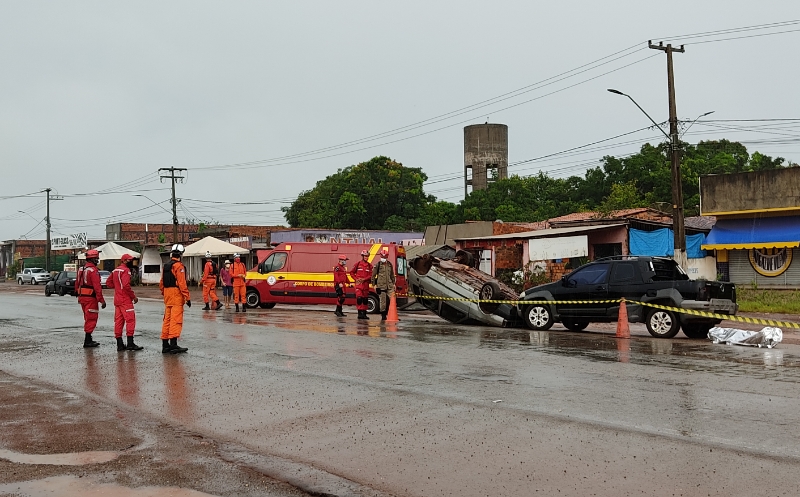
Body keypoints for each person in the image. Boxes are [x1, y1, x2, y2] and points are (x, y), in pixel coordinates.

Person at [106, 253, 142, 351]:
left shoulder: (115, 270)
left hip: (117, 299)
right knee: (130, 320)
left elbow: (108, 283)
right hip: (125, 300)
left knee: (118, 321)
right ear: (124, 261)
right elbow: (126, 285)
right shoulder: (126, 271)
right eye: (129, 260)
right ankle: (130, 343)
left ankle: (120, 344)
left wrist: (118, 288)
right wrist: (133, 297)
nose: (131, 262)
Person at [160, 244, 191, 354]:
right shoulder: (179, 266)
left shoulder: (166, 266)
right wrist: (187, 297)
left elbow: (161, 283)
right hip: (176, 294)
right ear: (181, 255)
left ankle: (165, 345)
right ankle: (173, 345)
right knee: (176, 320)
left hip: (167, 294)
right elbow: (182, 284)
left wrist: (165, 293)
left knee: (167, 320)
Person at [75, 249, 106, 348]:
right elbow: (97, 287)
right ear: (92, 259)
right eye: (96, 259)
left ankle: (89, 338)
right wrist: (101, 300)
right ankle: (87, 340)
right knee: (91, 318)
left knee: (87, 317)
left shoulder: (81, 269)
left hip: (82, 298)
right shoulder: (93, 271)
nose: (97, 260)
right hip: (90, 298)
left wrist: (78, 293)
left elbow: (77, 283)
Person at [371, 248, 396, 321]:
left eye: (384, 257)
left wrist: (394, 284)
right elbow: (373, 276)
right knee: (383, 302)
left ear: (387, 257)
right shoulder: (377, 265)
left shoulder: (389, 265)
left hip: (389, 286)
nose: (383, 259)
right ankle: (383, 316)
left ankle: (392, 314)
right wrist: (374, 285)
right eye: (382, 257)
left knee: (393, 299)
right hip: (381, 286)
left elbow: (392, 275)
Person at [349, 249, 373, 320]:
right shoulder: (358, 264)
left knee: (365, 300)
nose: (366, 257)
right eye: (365, 256)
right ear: (362, 256)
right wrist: (356, 279)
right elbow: (351, 272)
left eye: (367, 256)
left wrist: (364, 279)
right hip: (359, 285)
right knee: (359, 299)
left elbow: (371, 275)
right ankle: (359, 314)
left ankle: (364, 314)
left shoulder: (369, 266)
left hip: (365, 285)